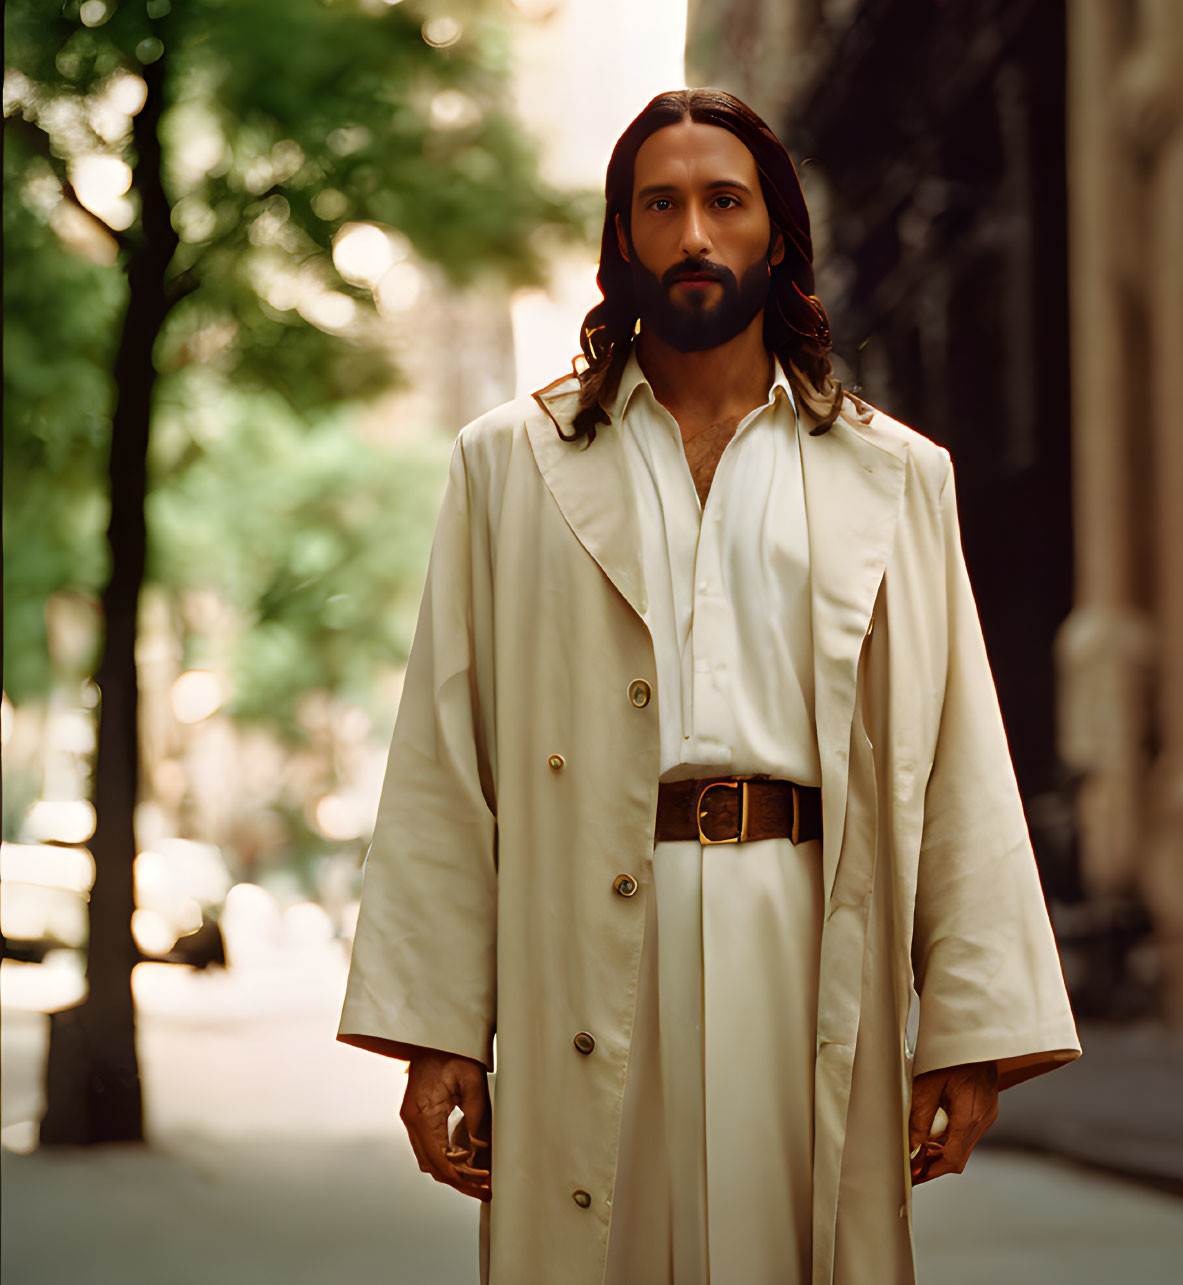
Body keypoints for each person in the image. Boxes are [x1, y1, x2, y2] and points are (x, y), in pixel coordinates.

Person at [337, 88, 1080, 1285]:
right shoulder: (506, 468)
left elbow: (957, 756)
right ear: (621, 240)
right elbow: (443, 758)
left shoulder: (896, 475)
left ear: (775, 233)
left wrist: (972, 1028)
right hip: (583, 929)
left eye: (724, 203)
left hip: (804, 929)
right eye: (661, 205)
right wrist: (436, 1035)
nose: (693, 236)